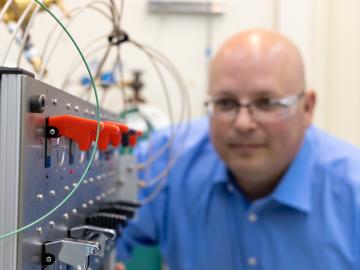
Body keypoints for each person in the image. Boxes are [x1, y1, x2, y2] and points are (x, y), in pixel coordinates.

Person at [115, 29, 360, 270]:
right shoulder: (166, 159)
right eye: (225, 103)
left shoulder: (352, 192)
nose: (243, 124)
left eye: (266, 103)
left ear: (307, 108)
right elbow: (100, 237)